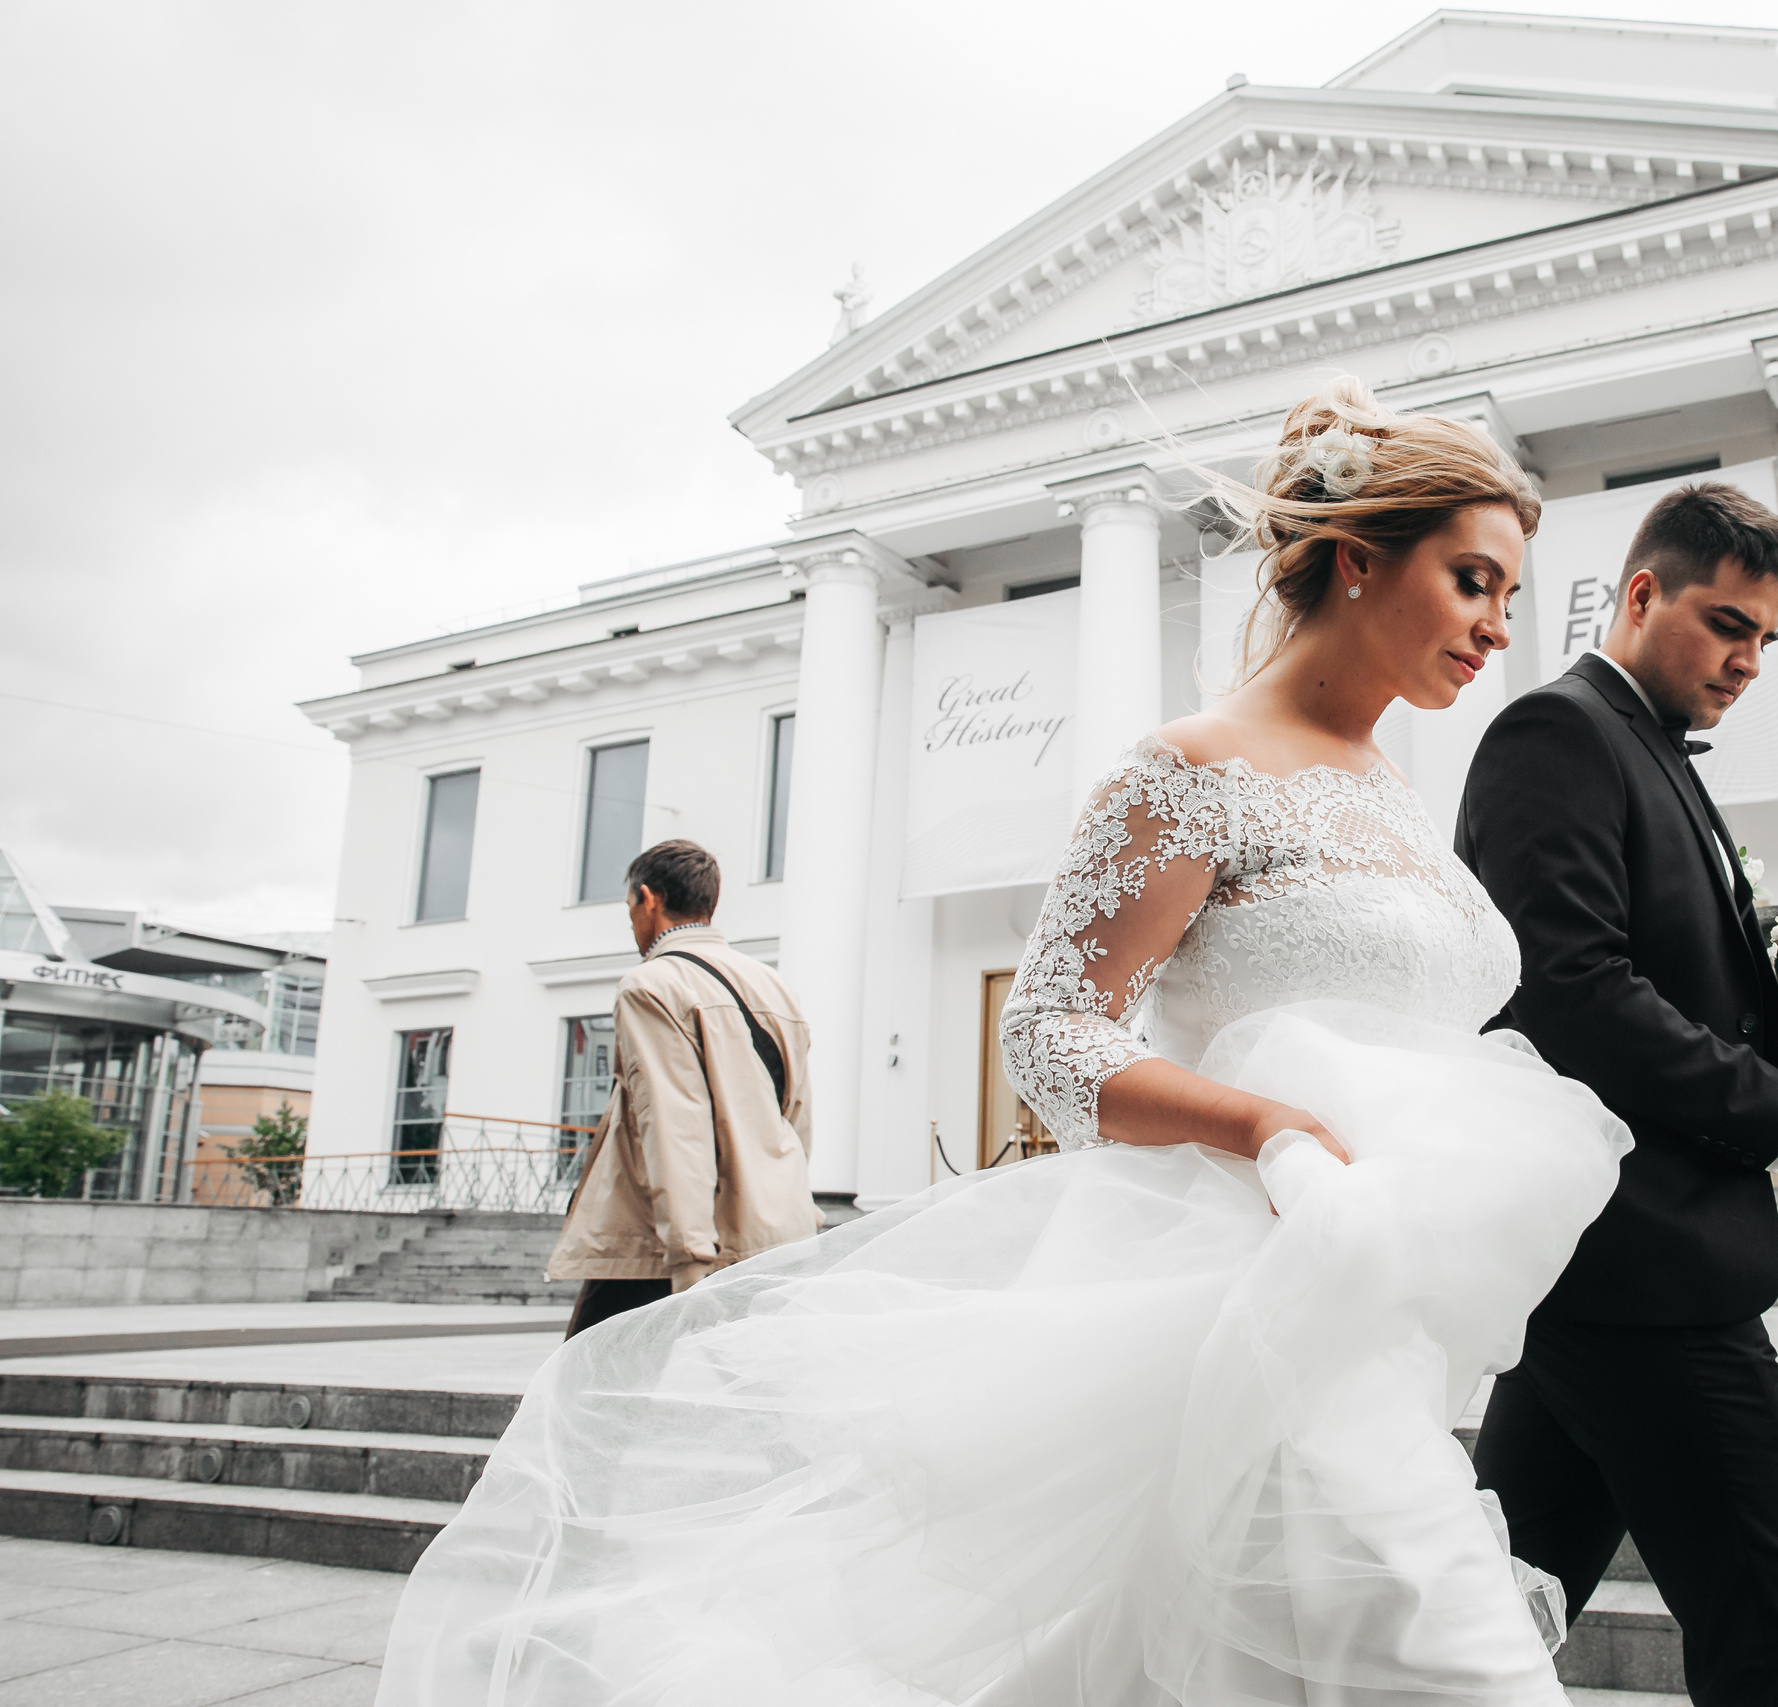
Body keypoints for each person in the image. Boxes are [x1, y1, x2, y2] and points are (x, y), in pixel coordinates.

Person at [374, 377, 1632, 1707]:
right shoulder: (1192, 771)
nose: (1502, 626)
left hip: (1383, 1322)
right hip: (1247, 1294)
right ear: (1360, 558)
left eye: (1509, 593)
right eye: (1476, 581)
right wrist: (1255, 1123)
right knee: (1462, 1664)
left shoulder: (1391, 789)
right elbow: (1046, 1030)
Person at [1458, 481, 1778, 1706]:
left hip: (1595, 1275)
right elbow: (1573, 992)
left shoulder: (1652, 747)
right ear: (1640, 594)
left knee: (1477, 1624)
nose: (1747, 660)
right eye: (1725, 624)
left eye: (1764, 639)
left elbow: (1661, 992)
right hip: (1649, 1278)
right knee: (1777, 1642)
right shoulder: (1558, 734)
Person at [544, 838, 821, 1339]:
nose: (631, 921)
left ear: (647, 899)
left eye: (629, 907)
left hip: (675, 1242)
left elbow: (674, 1123)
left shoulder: (650, 986)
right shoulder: (773, 985)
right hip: (775, 1224)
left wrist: (689, 1257)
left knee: (585, 1393)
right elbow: (794, 1116)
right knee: (746, 1396)